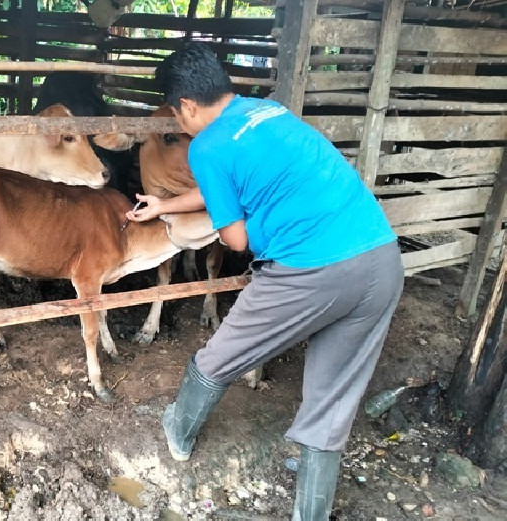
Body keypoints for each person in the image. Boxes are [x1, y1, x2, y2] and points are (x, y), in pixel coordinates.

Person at [125, 42, 404, 521]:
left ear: (187, 106)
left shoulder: (208, 146)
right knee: (332, 396)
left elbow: (233, 238)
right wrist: (164, 206)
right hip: (380, 259)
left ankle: (178, 432)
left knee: (220, 356)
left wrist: (271, 213)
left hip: (311, 270)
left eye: (177, 118)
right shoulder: (269, 112)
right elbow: (231, 191)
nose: (182, 128)